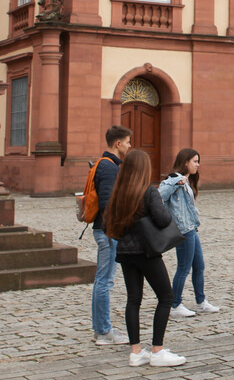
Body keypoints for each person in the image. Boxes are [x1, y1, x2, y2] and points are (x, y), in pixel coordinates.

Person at [105, 149, 187, 368]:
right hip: (147, 252)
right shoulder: (148, 192)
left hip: (125, 252)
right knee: (166, 297)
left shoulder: (118, 193)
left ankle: (136, 352)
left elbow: (108, 225)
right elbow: (162, 219)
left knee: (133, 299)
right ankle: (158, 350)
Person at [159, 148, 221, 318]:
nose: (197, 165)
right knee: (183, 267)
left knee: (199, 266)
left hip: (192, 228)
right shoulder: (174, 179)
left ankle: (201, 302)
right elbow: (159, 195)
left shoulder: (187, 181)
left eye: (198, 161)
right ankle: (175, 305)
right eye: (195, 161)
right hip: (183, 230)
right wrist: (175, 182)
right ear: (185, 162)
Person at [91, 125, 133, 345]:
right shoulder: (109, 168)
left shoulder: (109, 165)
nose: (129, 146)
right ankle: (104, 331)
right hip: (107, 231)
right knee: (104, 281)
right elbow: (108, 202)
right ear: (118, 144)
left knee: (103, 280)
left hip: (106, 230)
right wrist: (113, 229)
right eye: (127, 142)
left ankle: (101, 329)